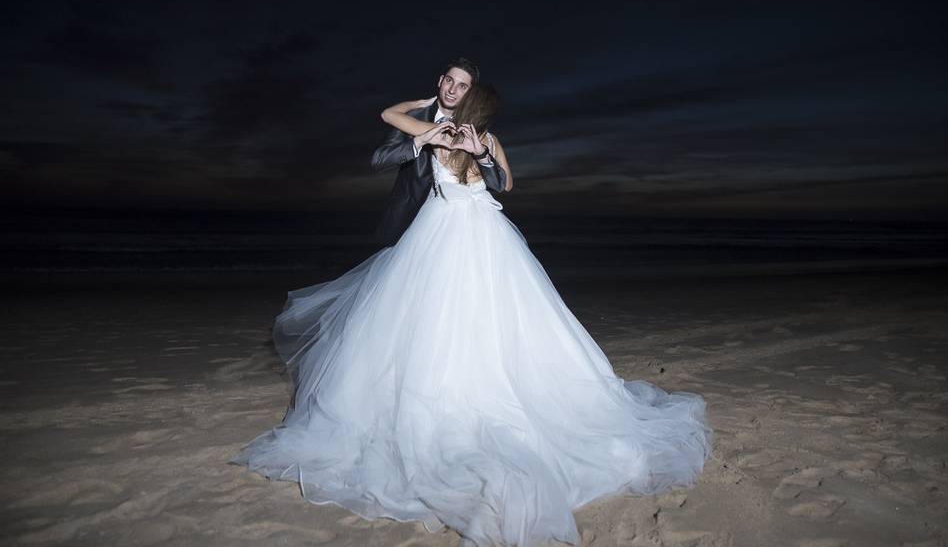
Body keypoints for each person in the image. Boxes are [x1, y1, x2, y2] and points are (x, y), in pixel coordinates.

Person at [232, 80, 712, 547]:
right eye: (450, 85)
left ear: (474, 106)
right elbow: (398, 126)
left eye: (464, 91)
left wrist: (477, 149)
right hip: (449, 233)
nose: (456, 95)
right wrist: (433, 123)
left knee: (495, 317)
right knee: (438, 318)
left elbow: (505, 181)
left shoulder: (477, 139)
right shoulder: (440, 133)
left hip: (478, 233)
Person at [371, 57, 510, 245]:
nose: (452, 90)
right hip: (410, 218)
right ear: (440, 81)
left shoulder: (476, 133)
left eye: (463, 86)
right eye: (449, 81)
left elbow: (502, 184)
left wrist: (482, 155)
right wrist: (417, 142)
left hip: (464, 226)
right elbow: (380, 160)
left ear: (470, 94)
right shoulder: (413, 119)